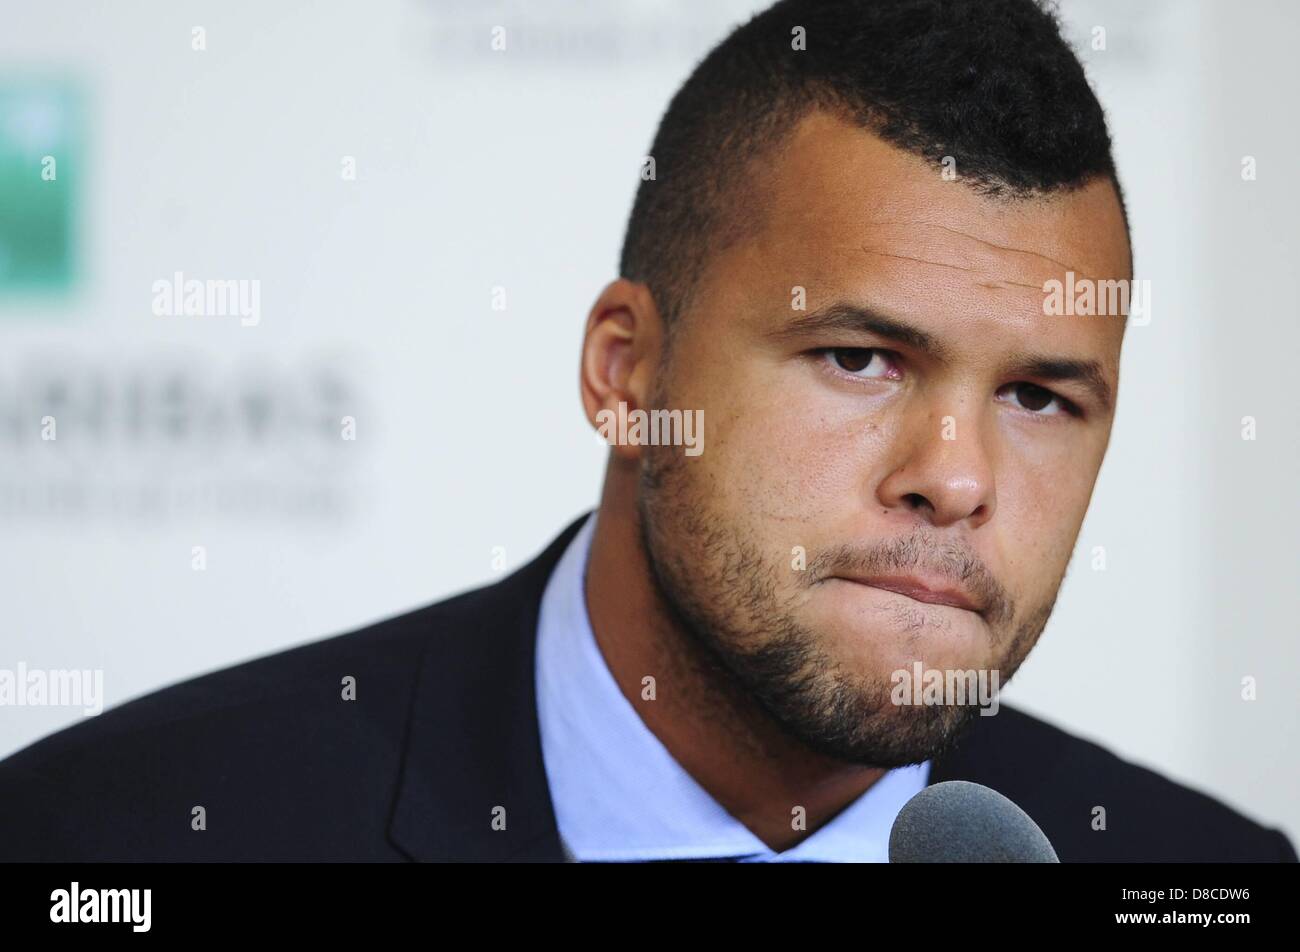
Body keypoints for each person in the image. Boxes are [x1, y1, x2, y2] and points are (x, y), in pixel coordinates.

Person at [1, 0, 1293, 862]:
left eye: (1037, 398)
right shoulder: (122, 835)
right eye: (859, 357)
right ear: (627, 370)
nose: (954, 478)